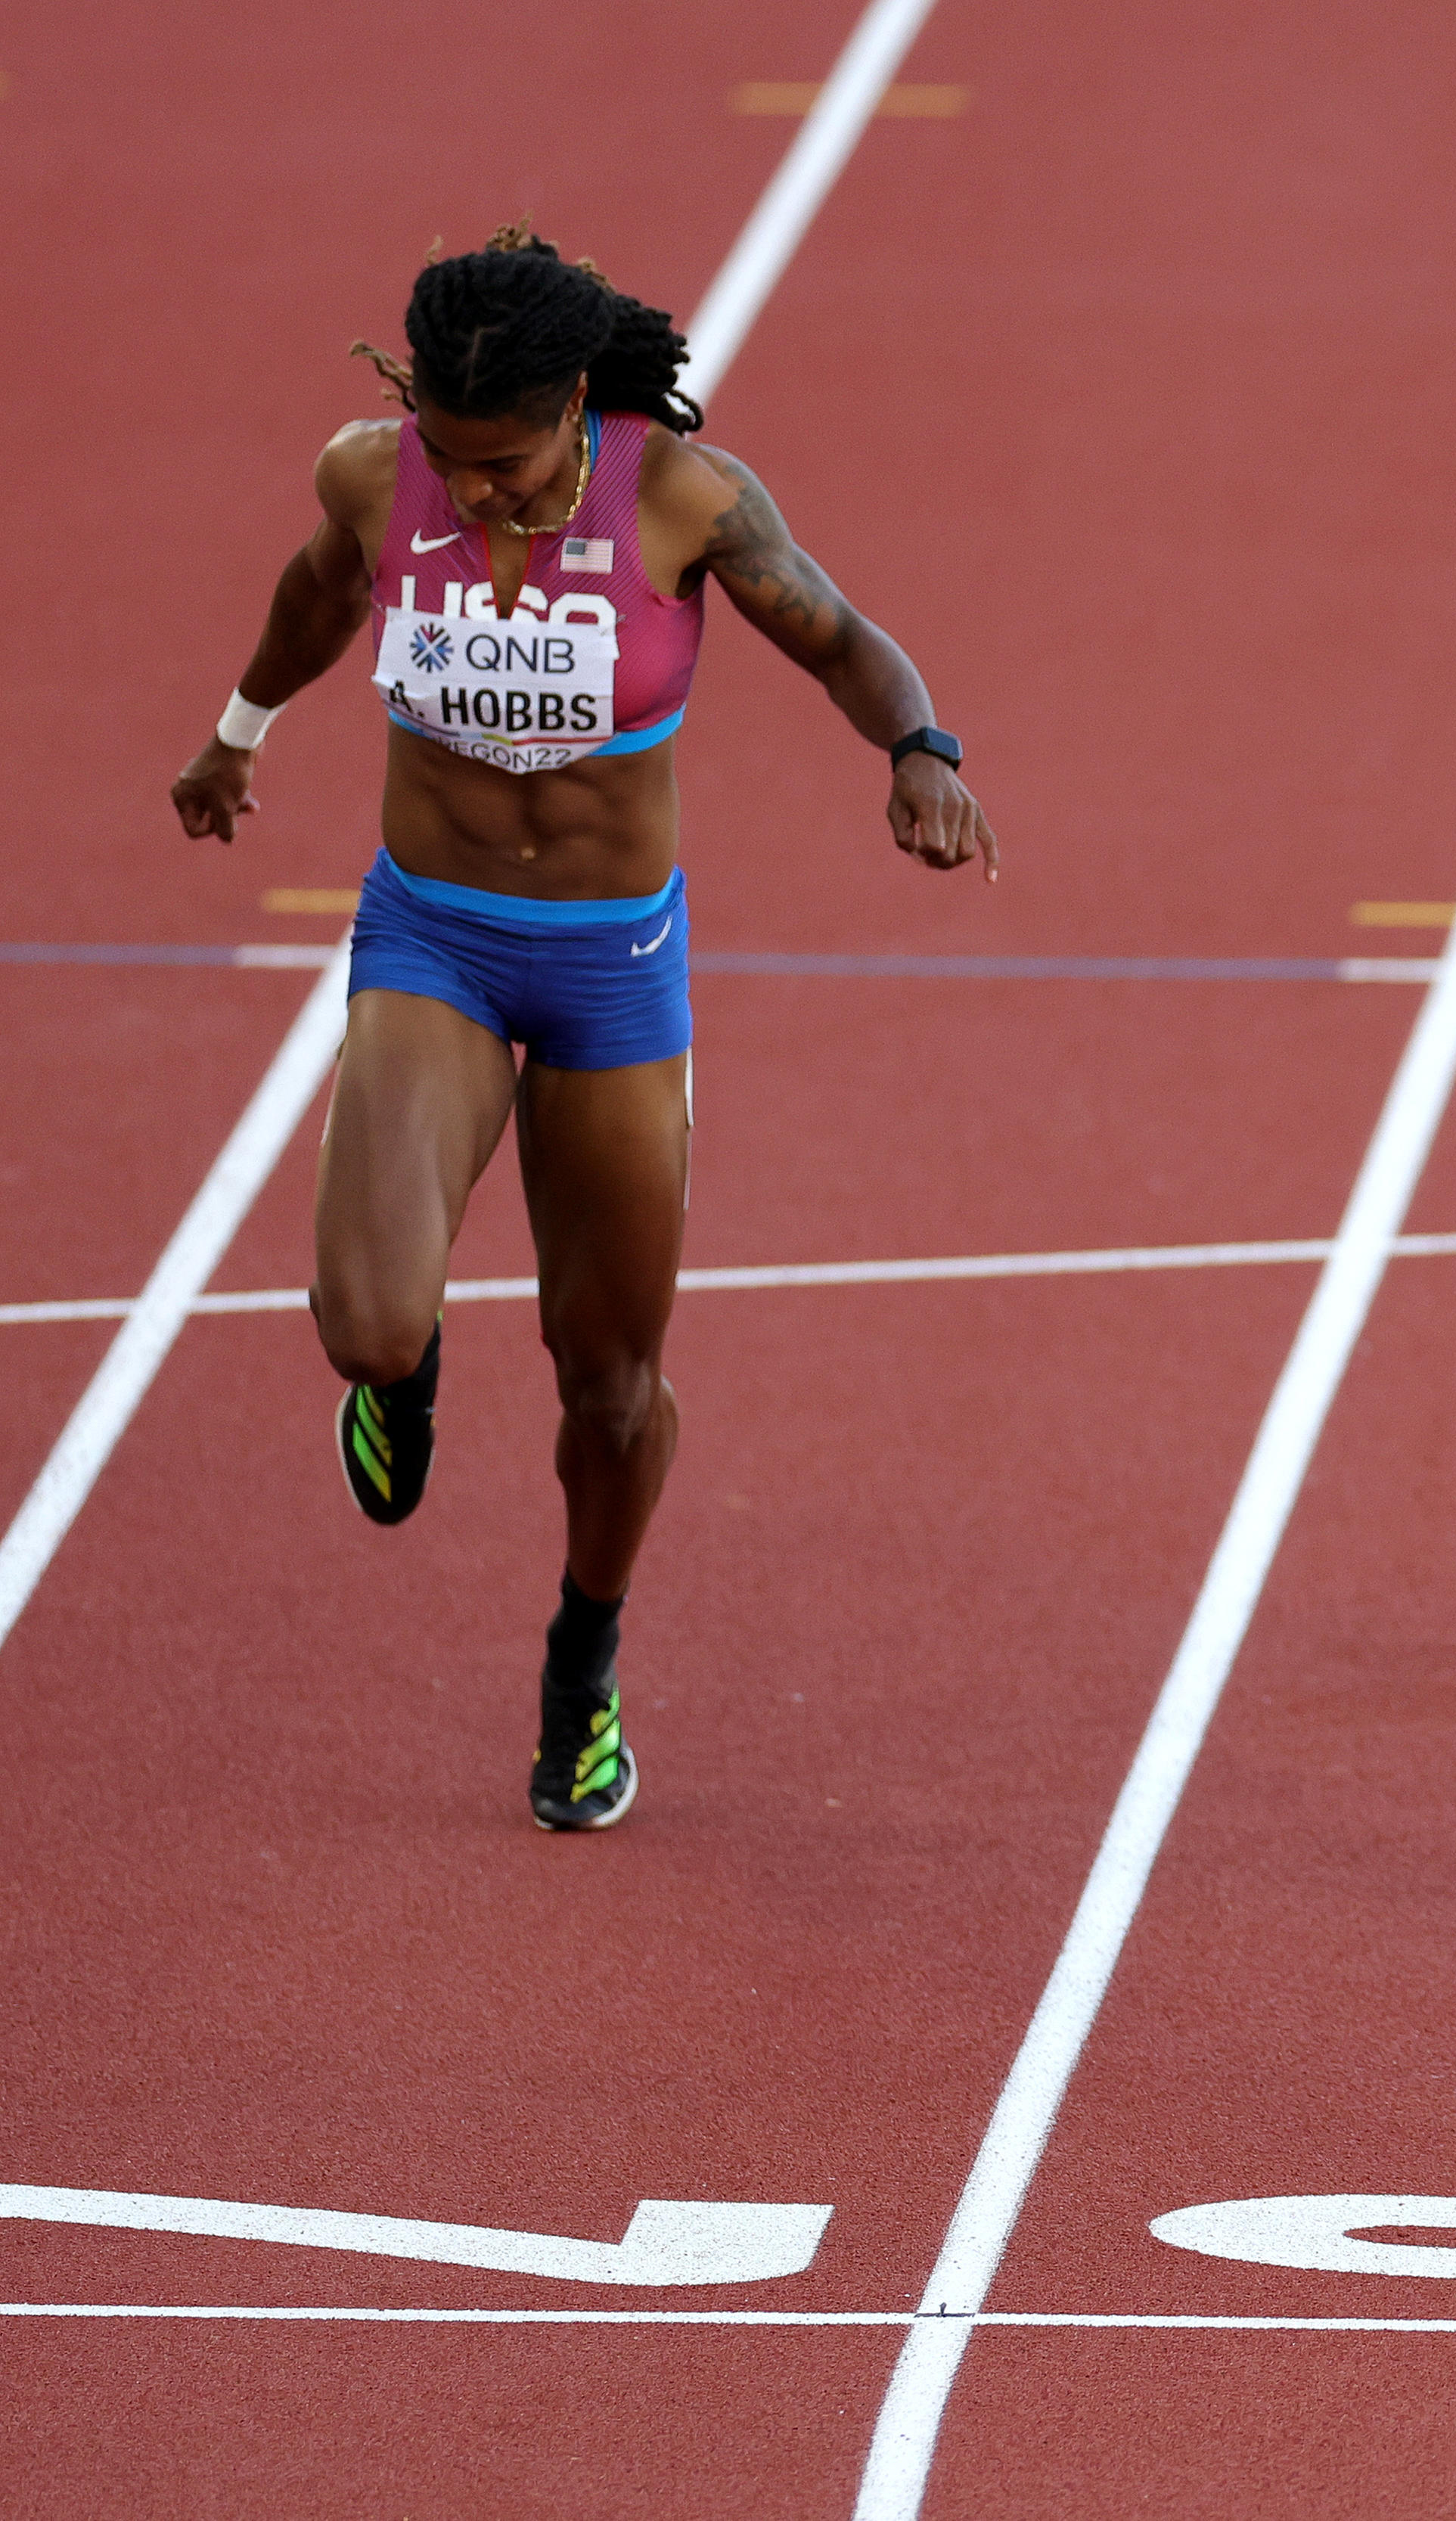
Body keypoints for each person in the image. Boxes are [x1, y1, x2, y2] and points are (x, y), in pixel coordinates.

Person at [169, 228, 993, 1832]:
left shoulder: (681, 495)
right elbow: (317, 599)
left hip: (611, 962)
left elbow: (837, 633)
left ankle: (584, 1664)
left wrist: (921, 747)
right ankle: (403, 1381)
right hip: (434, 937)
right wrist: (236, 733)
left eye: (506, 462)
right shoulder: (372, 474)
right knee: (368, 1325)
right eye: (450, 462)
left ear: (572, 410)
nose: (472, 494)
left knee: (609, 1380)